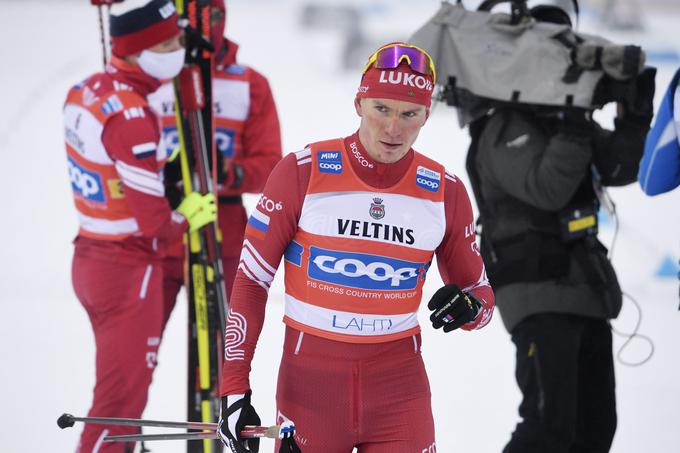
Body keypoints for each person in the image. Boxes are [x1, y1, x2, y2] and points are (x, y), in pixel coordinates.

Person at [216, 42, 495, 453]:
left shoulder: (444, 192)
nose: (393, 129)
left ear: (426, 116)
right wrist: (234, 388)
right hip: (310, 390)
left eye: (409, 114)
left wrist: (468, 309)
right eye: (381, 109)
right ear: (359, 103)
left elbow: (481, 298)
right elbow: (252, 281)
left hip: (400, 393)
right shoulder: (302, 171)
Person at [464, 4, 654, 453]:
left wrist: (635, 115)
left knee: (594, 429)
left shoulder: (567, 123)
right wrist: (573, 120)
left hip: (584, 290)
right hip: (537, 293)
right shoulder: (502, 128)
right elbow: (546, 188)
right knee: (547, 428)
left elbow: (625, 167)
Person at [63, 1, 216, 451]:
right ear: (136, 50)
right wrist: (190, 212)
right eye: (166, 44)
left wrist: (153, 168)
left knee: (121, 395)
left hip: (95, 256)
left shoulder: (90, 88)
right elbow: (156, 226)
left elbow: (111, 164)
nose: (176, 51)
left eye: (178, 40)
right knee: (119, 402)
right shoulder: (131, 117)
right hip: (128, 268)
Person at [147, 0, 282, 327]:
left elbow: (270, 169)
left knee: (222, 346)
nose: (206, 26)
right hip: (158, 222)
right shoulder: (150, 78)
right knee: (138, 348)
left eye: (215, 15)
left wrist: (227, 172)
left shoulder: (250, 82)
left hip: (223, 222)